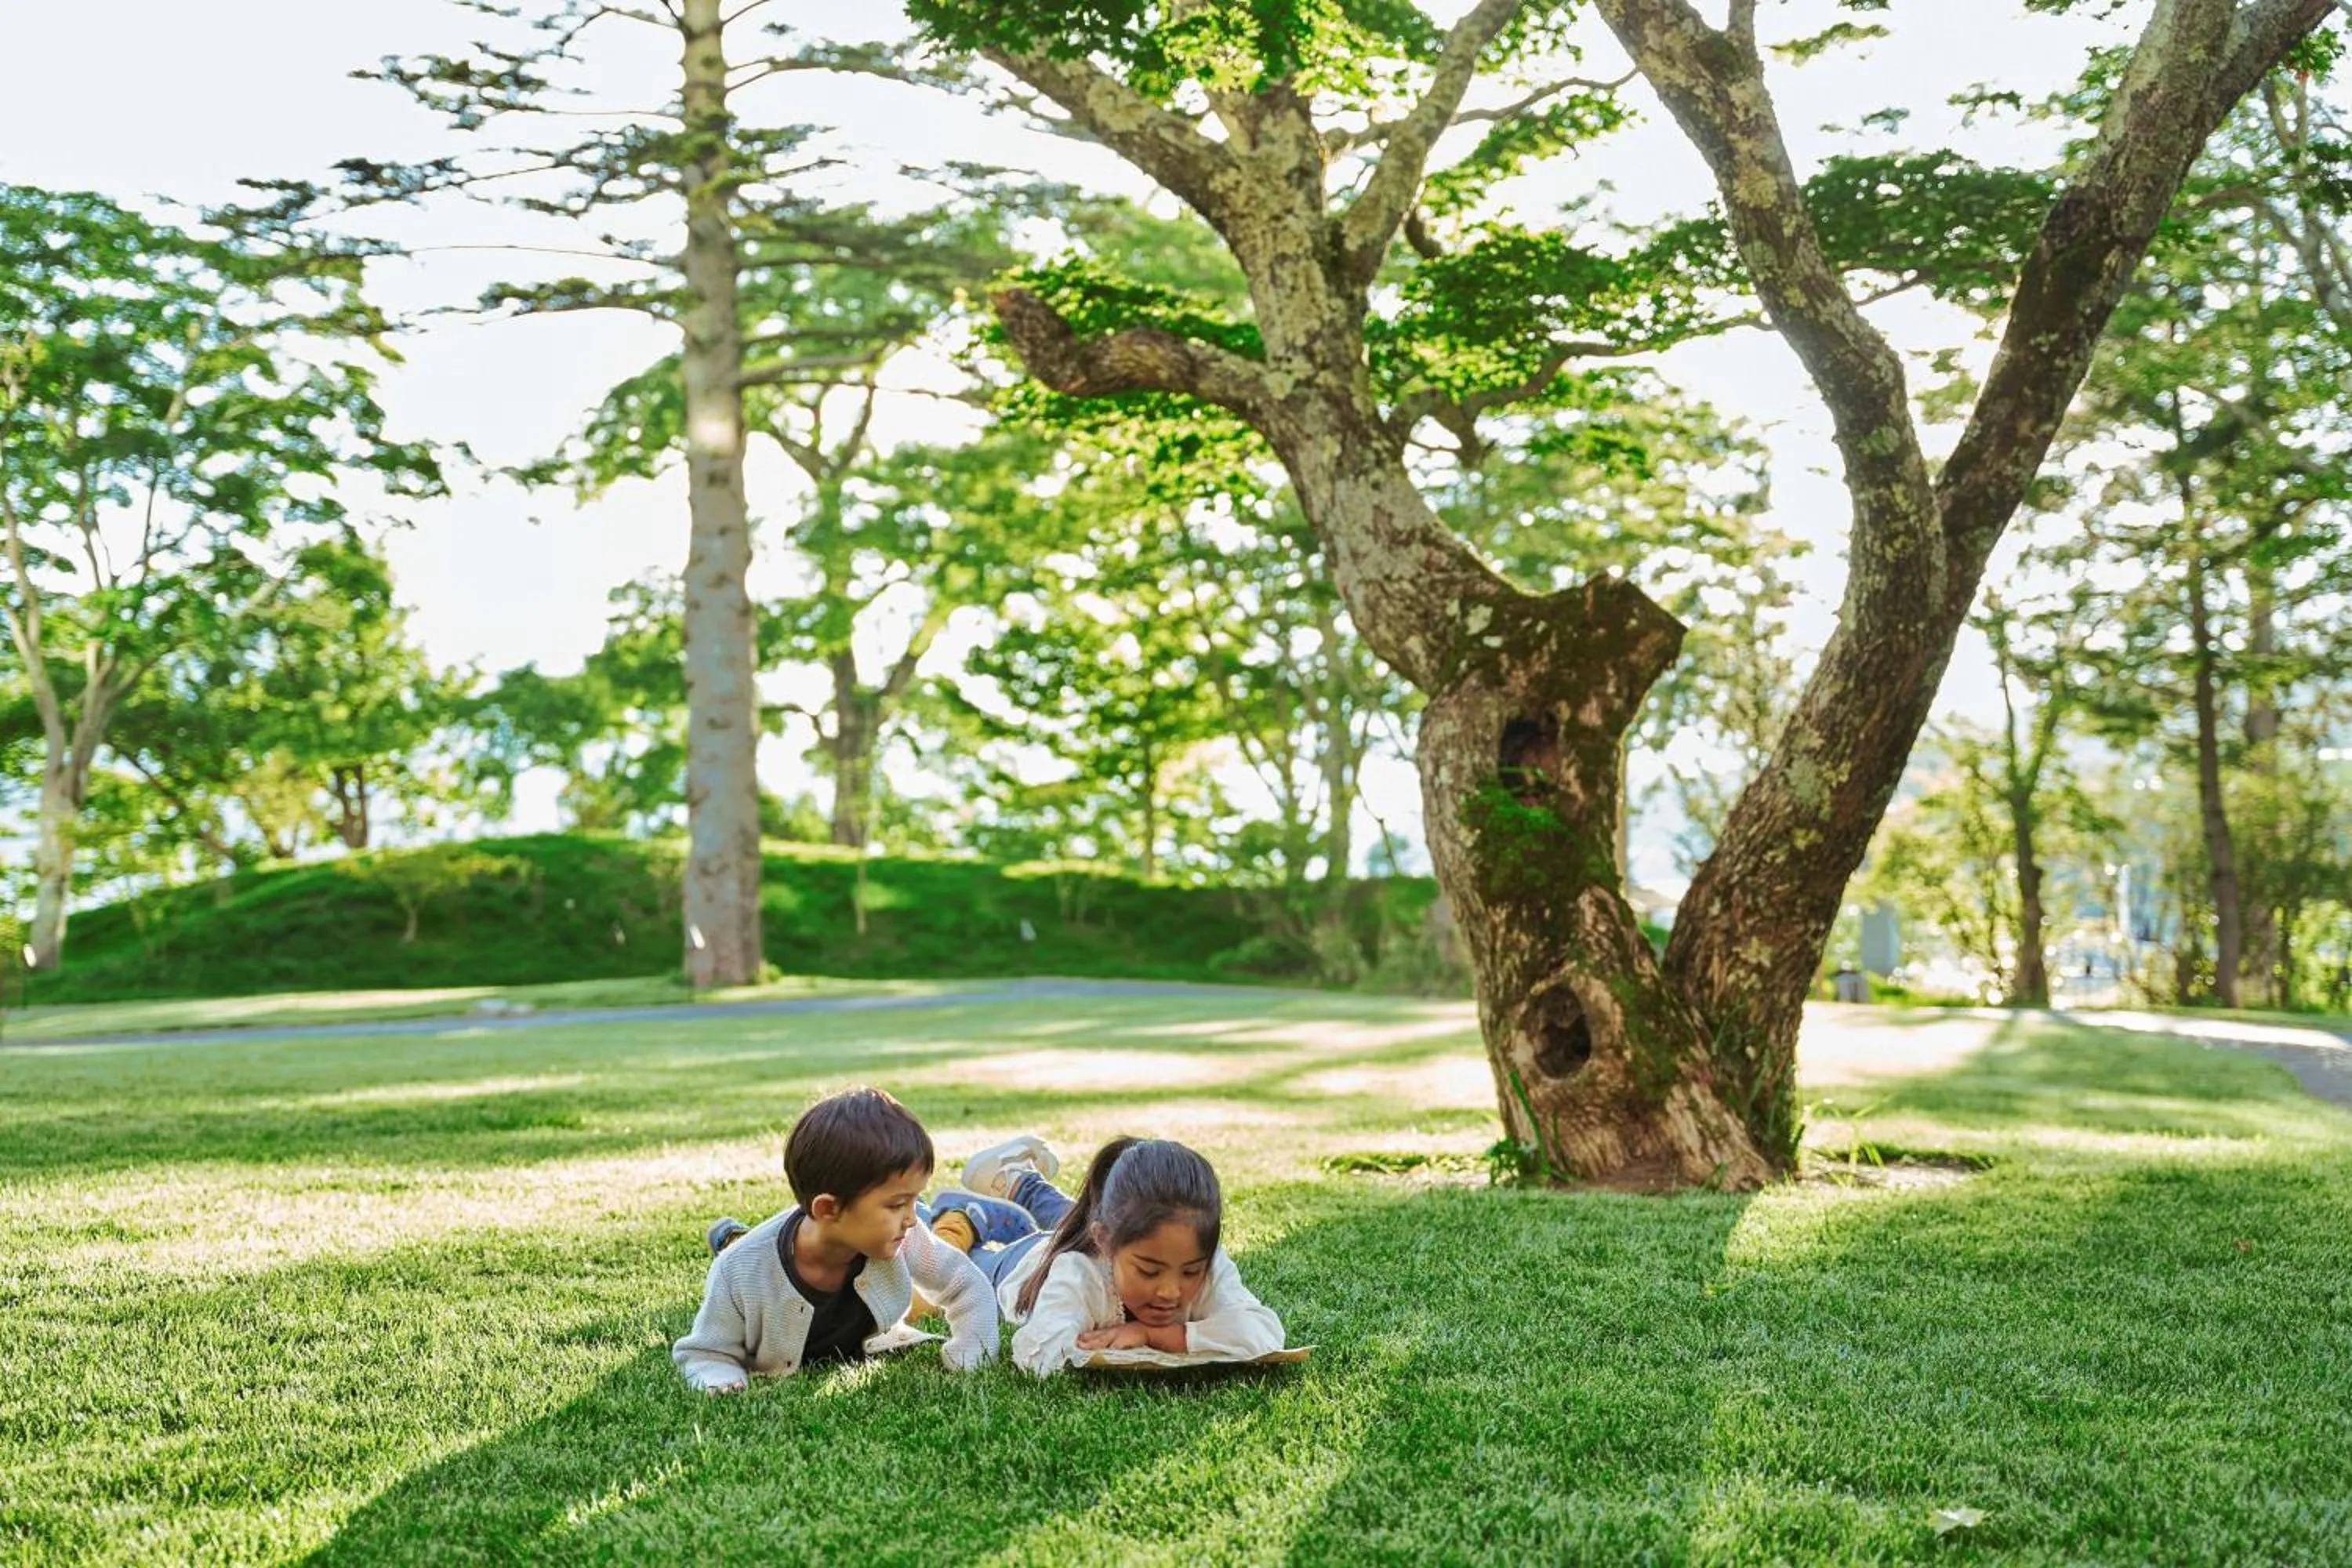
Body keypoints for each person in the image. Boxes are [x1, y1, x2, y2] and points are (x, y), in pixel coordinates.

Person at [676, 1087, 996, 1392]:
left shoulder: (906, 1238)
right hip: (754, 1255)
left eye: (915, 1201)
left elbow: (966, 1285)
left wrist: (971, 1354)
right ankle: (731, 1238)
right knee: (740, 1255)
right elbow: (706, 1351)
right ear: (829, 1208)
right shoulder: (738, 1272)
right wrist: (719, 1379)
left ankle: (734, 1235)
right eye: (898, 1205)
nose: (913, 1218)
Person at [928, 1134, 1284, 1377]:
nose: (1171, 1292)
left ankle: (1018, 1181)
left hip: (1099, 1236)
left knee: (1089, 1216)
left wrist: (1154, 1335)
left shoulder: (1196, 1258)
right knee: (968, 1261)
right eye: (1149, 1271)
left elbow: (1263, 1333)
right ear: (1104, 1242)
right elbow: (1040, 1355)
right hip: (1022, 1263)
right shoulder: (1077, 1274)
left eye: (1191, 1272)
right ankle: (961, 1215)